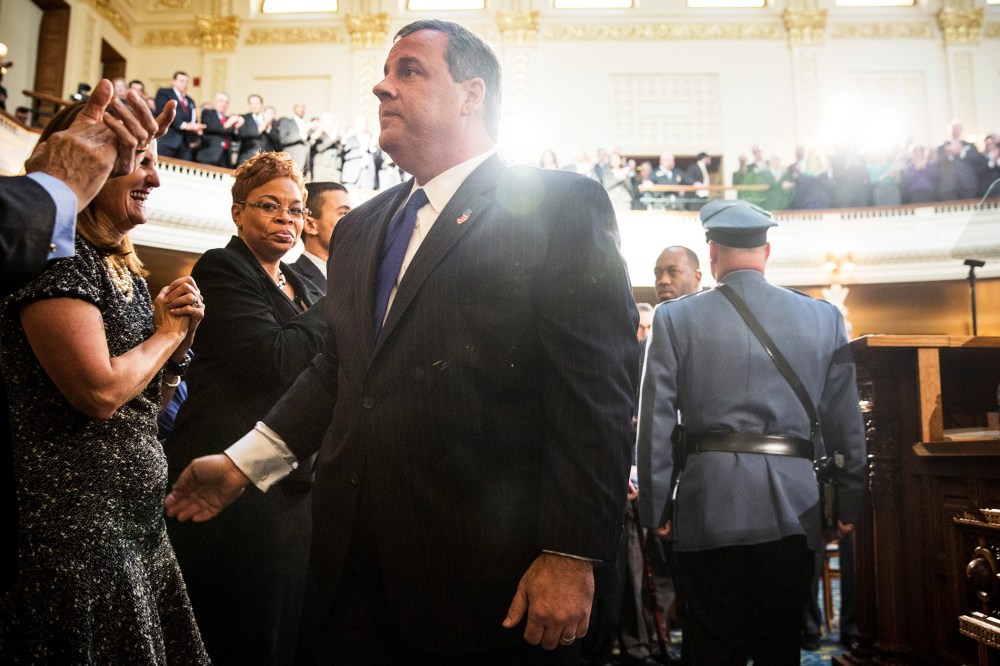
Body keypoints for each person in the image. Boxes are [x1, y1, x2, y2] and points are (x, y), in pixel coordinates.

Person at [165, 18, 638, 663]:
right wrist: (244, 464)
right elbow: (338, 370)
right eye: (386, 73)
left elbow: (596, 393)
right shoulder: (361, 228)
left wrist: (570, 551)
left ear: (472, 95)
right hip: (348, 570)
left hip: (490, 580)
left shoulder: (559, 206)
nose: (382, 88)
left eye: (409, 71)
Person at [0, 102, 208, 663]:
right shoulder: (59, 261)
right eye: (139, 160)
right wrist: (166, 336)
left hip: (133, 523)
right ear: (92, 165)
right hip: (77, 527)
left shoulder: (121, 267)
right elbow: (98, 393)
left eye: (154, 160)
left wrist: (176, 350)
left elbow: (143, 408)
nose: (156, 176)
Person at [636, 199, 867, 664]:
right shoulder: (823, 318)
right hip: (795, 508)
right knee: (779, 645)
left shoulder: (674, 318)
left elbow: (657, 421)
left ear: (713, 253)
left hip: (708, 506)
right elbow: (846, 422)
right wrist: (849, 499)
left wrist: (655, 505)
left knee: (711, 645)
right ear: (766, 252)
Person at [164, 151, 327, 666]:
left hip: (290, 476)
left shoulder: (310, 284)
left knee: (282, 631)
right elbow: (273, 360)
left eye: (297, 210)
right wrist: (342, 296)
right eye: (270, 206)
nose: (287, 219)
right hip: (224, 473)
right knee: (235, 631)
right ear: (238, 212)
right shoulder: (222, 267)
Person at [291, 181, 352, 293]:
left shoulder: (357, 277)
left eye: (354, 214)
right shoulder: (290, 279)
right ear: (310, 225)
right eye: (344, 213)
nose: (355, 221)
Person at [154, 71, 204, 161]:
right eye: (181, 81)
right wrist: (184, 125)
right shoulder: (164, 93)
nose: (184, 84)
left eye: (186, 82)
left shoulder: (190, 100)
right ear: (173, 81)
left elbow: (192, 118)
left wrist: (194, 126)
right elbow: (164, 112)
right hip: (167, 140)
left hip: (184, 144)